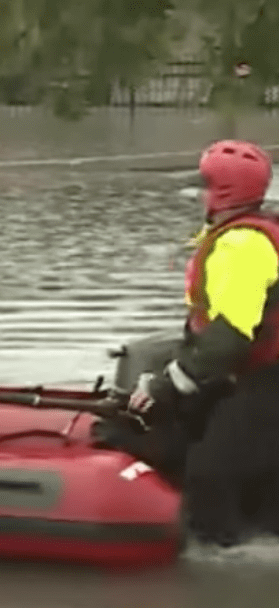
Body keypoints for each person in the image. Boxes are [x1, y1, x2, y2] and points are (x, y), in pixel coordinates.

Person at [126, 139, 279, 546]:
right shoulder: (240, 235)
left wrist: (168, 383)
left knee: (211, 472)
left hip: (268, 379)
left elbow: (230, 336)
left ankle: (225, 571)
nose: (198, 195)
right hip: (253, 373)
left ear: (223, 193)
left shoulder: (241, 246)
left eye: (205, 186)